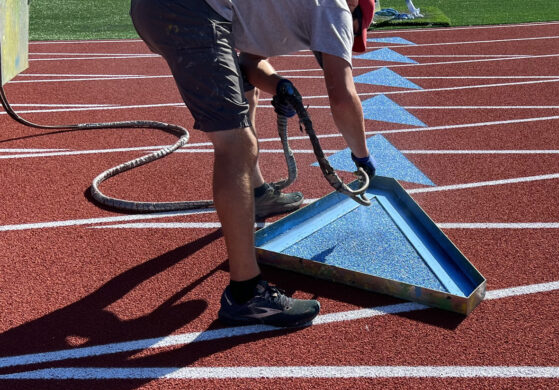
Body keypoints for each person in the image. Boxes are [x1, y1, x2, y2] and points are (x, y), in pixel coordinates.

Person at [129, 0, 376, 327]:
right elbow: (341, 95)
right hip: (192, 10)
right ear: (358, 13)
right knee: (236, 144)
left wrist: (280, 86)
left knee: (246, 95)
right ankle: (246, 294)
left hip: (173, 10)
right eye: (354, 34)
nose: (344, 41)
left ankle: (257, 193)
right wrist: (362, 157)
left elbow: (248, 64)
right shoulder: (338, 8)